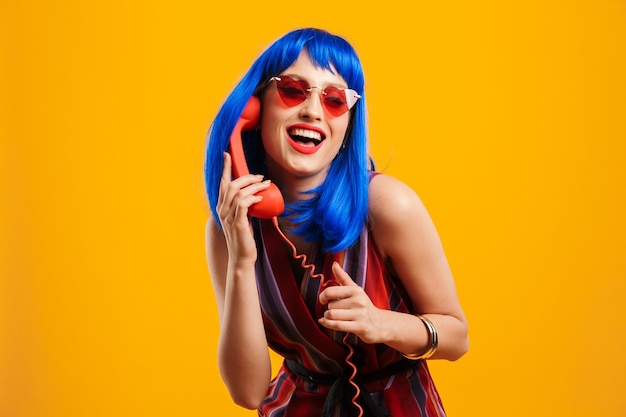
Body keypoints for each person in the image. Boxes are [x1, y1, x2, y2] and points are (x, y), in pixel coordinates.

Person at [204, 28, 469, 417]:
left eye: (334, 100)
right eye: (293, 89)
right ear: (255, 110)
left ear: (348, 124)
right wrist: (243, 262)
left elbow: (457, 337)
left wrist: (382, 324)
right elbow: (248, 392)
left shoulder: (388, 204)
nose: (313, 110)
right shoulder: (230, 226)